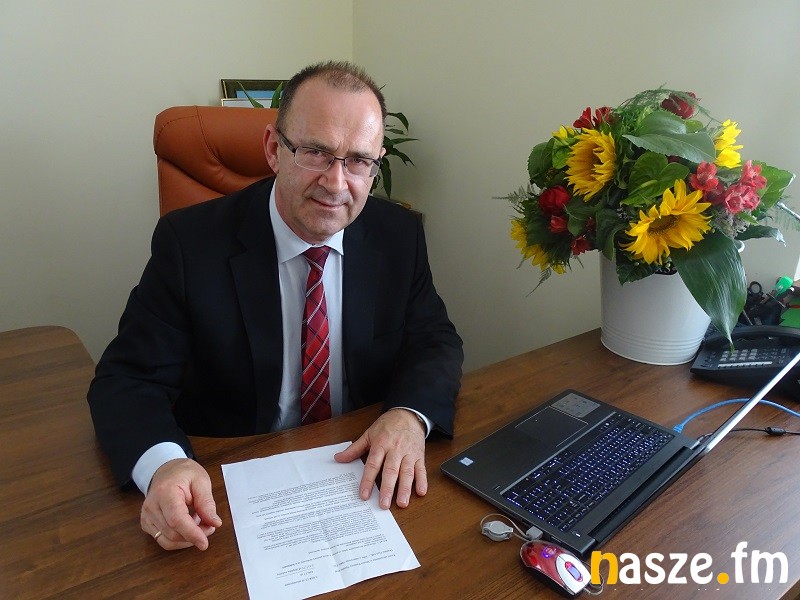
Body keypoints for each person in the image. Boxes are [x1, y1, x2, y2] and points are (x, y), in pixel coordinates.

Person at [87, 61, 463, 552]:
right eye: (316, 152)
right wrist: (165, 465)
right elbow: (128, 380)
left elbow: (434, 339)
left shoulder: (399, 235)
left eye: (358, 161)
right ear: (273, 149)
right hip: (226, 494)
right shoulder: (189, 244)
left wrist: (409, 416)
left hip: (358, 482)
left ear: (376, 165)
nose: (336, 183)